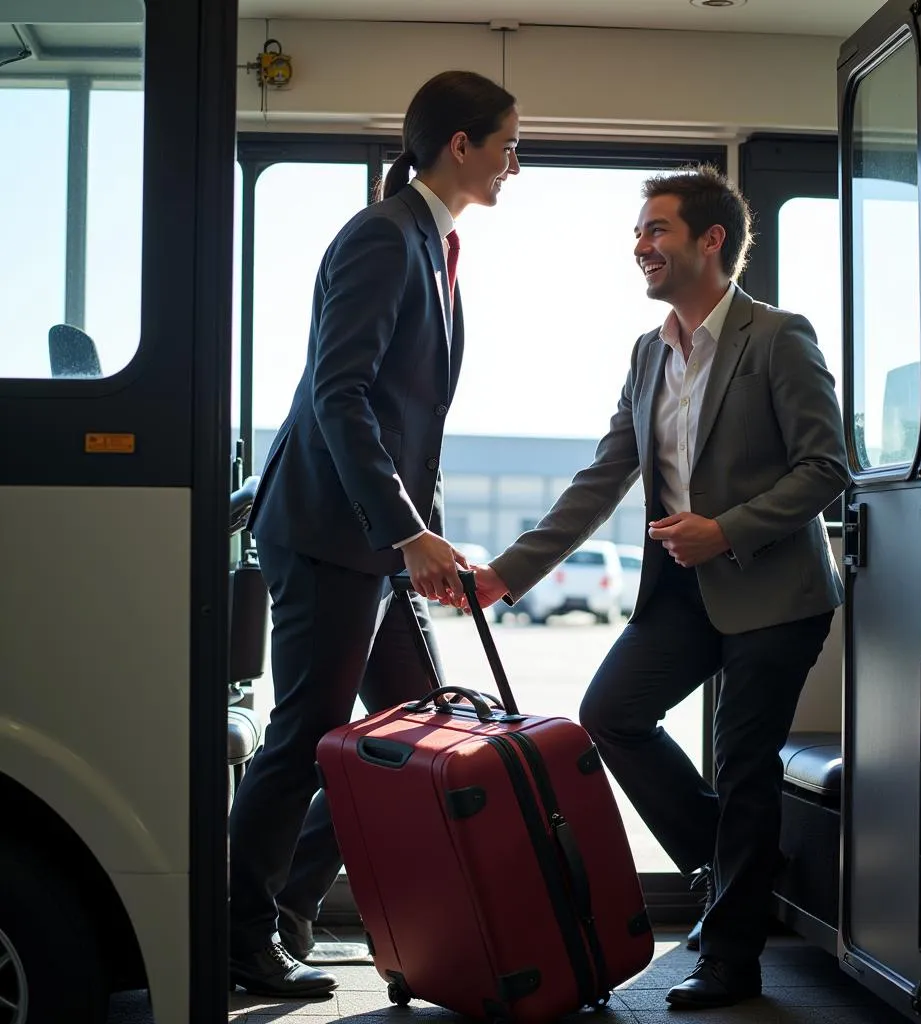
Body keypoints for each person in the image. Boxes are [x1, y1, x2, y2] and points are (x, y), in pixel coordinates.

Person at [470, 166, 849, 1010]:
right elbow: (604, 475)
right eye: (639, 231)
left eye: (656, 229)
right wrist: (508, 572)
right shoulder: (649, 353)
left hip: (776, 596)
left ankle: (732, 957)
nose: (639, 245)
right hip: (682, 596)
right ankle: (732, 862)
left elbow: (827, 467)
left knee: (745, 765)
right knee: (609, 715)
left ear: (711, 240)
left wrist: (728, 528)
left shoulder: (777, 336)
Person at [228, 70, 520, 998]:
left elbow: (400, 418)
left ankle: (288, 903)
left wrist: (421, 539)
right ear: (460, 144)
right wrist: (404, 535)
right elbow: (339, 396)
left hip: (376, 541)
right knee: (305, 731)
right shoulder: (384, 237)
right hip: (328, 531)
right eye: (508, 143)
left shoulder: (432, 248)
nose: (518, 161)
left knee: (418, 726)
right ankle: (239, 929)